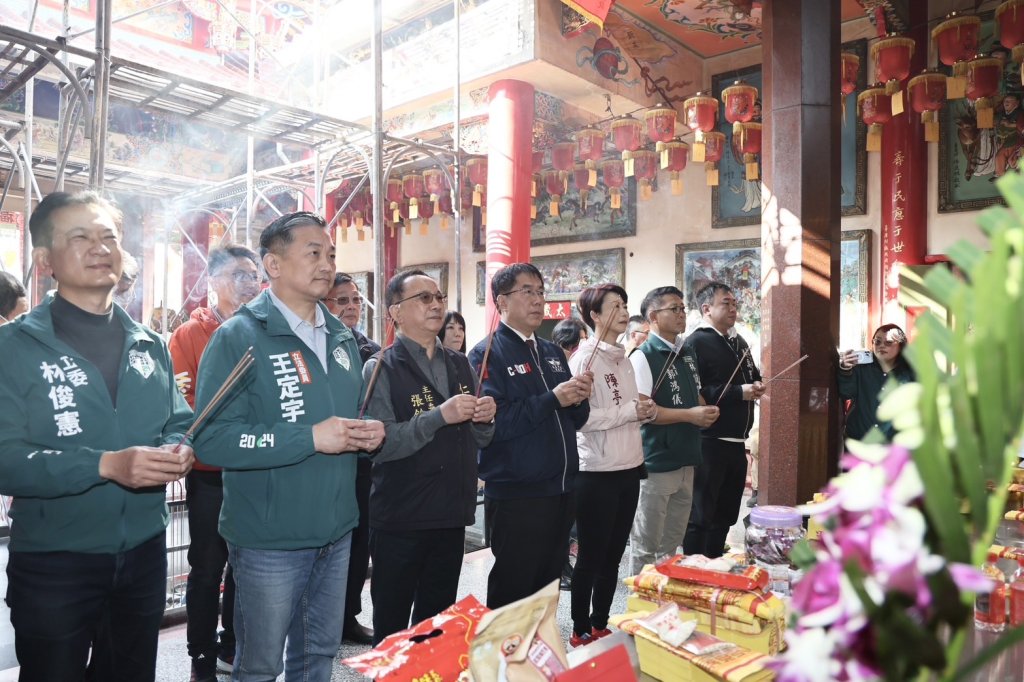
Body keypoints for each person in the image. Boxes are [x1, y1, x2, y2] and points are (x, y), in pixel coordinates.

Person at [0, 191, 194, 682]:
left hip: (144, 553)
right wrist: (105, 464)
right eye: (80, 237)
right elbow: (5, 458)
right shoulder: (13, 347)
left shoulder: (149, 344)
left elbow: (178, 418)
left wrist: (181, 447)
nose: (100, 247)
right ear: (45, 261)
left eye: (109, 236)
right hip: (54, 561)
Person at [192, 211, 385, 682]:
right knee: (259, 665)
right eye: (313, 253)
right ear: (273, 266)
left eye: (331, 254)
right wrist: (310, 438)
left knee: (318, 657)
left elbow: (340, 422)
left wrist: (365, 437)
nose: (327, 264)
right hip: (268, 540)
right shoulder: (239, 336)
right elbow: (211, 440)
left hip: (337, 531)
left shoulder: (342, 338)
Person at [362, 270, 495, 644]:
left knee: (436, 625)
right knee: (392, 626)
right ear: (396, 313)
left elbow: (481, 438)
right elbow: (381, 443)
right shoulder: (381, 367)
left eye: (438, 296)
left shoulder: (460, 364)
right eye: (423, 298)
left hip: (451, 513)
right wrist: (440, 416)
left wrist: (486, 417)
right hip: (403, 515)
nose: (436, 304)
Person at [468, 262, 593, 609]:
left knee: (547, 587)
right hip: (518, 493)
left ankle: (539, 656)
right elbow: (497, 424)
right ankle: (503, 661)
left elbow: (576, 419)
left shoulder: (552, 353)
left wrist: (579, 397)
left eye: (540, 292)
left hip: (562, 487)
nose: (538, 300)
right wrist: (554, 398)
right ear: (502, 302)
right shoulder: (487, 353)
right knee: (514, 588)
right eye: (527, 292)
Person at [169, 245, 261, 681]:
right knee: (207, 567)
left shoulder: (263, 330)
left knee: (247, 564)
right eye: (237, 275)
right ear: (212, 283)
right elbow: (183, 405)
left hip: (256, 468)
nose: (248, 283)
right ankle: (200, 652)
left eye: (253, 275)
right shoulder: (190, 334)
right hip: (211, 473)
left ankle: (232, 642)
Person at [568, 284, 653, 647]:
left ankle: (601, 621)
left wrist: (642, 410)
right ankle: (579, 628)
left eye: (625, 304)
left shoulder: (624, 357)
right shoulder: (584, 359)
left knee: (615, 552)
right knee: (590, 555)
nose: (623, 310)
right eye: (614, 306)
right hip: (597, 472)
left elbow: (626, 411)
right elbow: (582, 419)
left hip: (629, 468)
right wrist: (628, 411)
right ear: (595, 316)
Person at [628, 286, 719, 573]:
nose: (681, 314)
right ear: (654, 316)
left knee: (671, 545)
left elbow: (694, 396)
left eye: (682, 308)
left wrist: (703, 408)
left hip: (687, 457)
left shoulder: (686, 351)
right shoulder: (643, 355)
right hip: (657, 461)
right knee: (646, 545)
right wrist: (690, 415)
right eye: (674, 309)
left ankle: (664, 605)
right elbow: (644, 410)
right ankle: (640, 609)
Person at [683, 282, 764, 559]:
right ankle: (694, 569)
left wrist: (757, 385)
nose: (733, 308)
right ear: (706, 309)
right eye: (725, 303)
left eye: (734, 303)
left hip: (736, 442)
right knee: (701, 514)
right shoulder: (696, 342)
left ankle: (715, 564)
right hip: (709, 441)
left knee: (726, 513)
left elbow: (753, 375)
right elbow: (696, 391)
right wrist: (740, 392)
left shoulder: (738, 341)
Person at [321, 271, 380, 644]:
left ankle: (347, 616)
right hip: (324, 457)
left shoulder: (371, 349)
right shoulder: (317, 344)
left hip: (363, 462)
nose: (352, 307)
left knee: (359, 543)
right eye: (341, 300)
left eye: (356, 299)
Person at [838, 323, 916, 442]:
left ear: (900, 345)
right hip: (860, 439)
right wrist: (845, 370)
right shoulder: (861, 367)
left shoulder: (910, 373)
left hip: (894, 444)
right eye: (877, 342)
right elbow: (847, 393)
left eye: (888, 342)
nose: (881, 346)